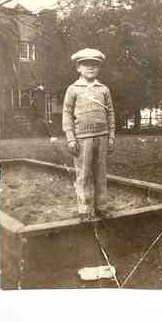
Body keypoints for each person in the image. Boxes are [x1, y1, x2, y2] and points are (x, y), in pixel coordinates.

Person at [62, 48, 116, 221]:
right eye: (86, 64)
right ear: (78, 68)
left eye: (95, 64)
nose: (91, 67)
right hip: (82, 138)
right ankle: (84, 209)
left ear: (99, 68)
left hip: (102, 136)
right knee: (84, 174)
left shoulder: (104, 89)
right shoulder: (73, 89)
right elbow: (67, 113)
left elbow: (110, 113)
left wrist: (111, 136)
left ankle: (101, 207)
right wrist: (70, 138)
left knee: (101, 174)